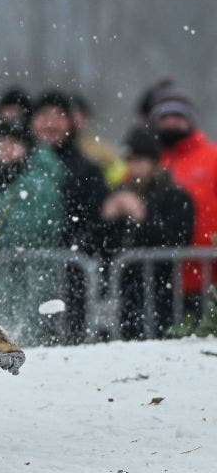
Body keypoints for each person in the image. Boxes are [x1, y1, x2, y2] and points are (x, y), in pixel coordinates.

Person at [0, 119, 65, 344]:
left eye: (13, 144)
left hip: (32, 280)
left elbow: (27, 230)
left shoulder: (39, 185)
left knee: (31, 339)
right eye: (0, 144)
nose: (5, 150)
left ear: (26, 149)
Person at [100, 126, 194, 338]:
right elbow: (98, 243)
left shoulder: (175, 197)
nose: (134, 168)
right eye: (130, 161)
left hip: (162, 289)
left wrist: (142, 218)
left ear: (155, 163)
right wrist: (106, 218)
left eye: (140, 161)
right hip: (122, 289)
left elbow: (176, 240)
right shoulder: (118, 194)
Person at [30, 89, 108, 342]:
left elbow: (98, 222)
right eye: (44, 115)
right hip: (28, 275)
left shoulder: (88, 169)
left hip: (72, 277)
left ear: (70, 122)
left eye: (59, 115)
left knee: (72, 343)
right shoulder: (18, 165)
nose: (51, 123)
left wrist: (74, 248)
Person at [148, 81, 217, 316]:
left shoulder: (212, 158)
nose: (171, 122)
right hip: (159, 278)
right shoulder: (149, 161)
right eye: (164, 116)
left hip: (207, 276)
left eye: (177, 115)